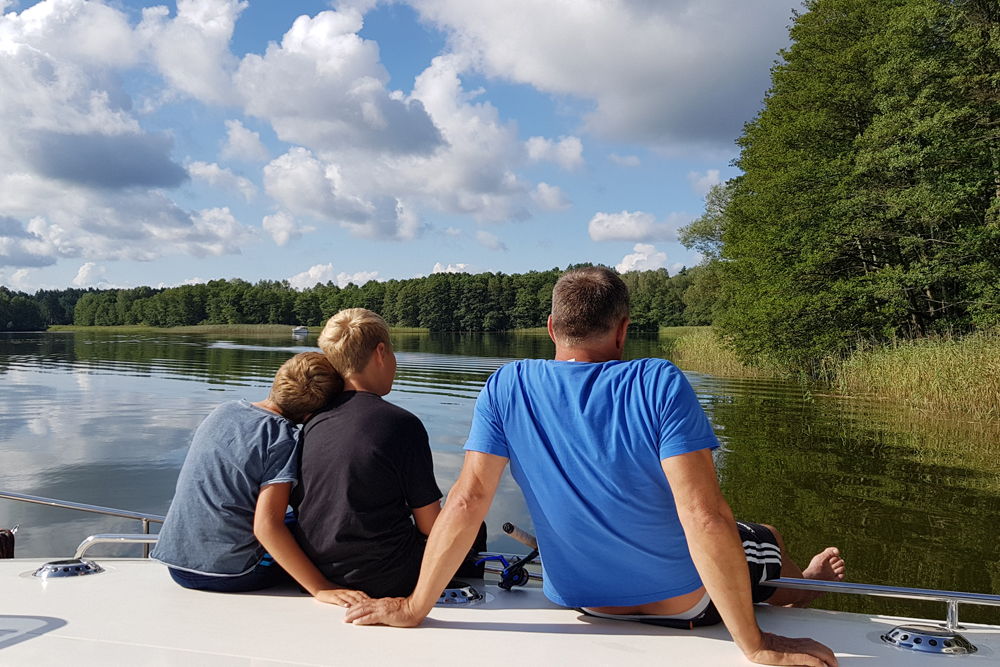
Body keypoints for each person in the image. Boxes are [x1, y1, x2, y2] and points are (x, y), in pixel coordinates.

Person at [344, 267, 846, 667]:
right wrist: (753, 644)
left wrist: (413, 607)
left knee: (735, 535)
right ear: (624, 329)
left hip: (582, 601)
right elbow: (704, 517)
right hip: (683, 603)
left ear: (551, 329)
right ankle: (802, 586)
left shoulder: (507, 385)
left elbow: (467, 500)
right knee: (765, 538)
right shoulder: (658, 382)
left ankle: (793, 580)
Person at [293, 308, 485, 598]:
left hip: (321, 570)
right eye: (393, 352)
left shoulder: (311, 422)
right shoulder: (401, 425)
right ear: (380, 352)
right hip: (387, 578)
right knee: (472, 527)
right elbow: (432, 526)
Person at [151, 352, 368, 608]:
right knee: (322, 530)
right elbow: (266, 526)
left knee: (295, 521)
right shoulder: (281, 437)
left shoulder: (225, 410)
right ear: (312, 414)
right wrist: (321, 589)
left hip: (176, 565)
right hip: (232, 573)